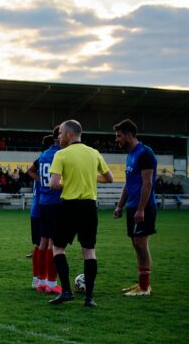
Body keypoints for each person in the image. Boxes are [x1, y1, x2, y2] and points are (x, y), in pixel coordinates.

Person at [47, 120, 113, 307]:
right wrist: (88, 177)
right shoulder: (94, 153)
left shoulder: (62, 154)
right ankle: (89, 297)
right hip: (89, 207)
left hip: (69, 206)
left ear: (69, 134)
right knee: (89, 251)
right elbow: (109, 178)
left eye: (60, 132)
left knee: (58, 248)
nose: (58, 136)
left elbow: (53, 184)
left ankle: (67, 291)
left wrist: (68, 182)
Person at [113, 119, 157, 297]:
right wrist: (120, 205)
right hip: (132, 207)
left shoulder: (145, 153)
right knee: (136, 244)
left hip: (143, 207)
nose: (117, 139)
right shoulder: (130, 154)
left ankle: (145, 287)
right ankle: (141, 284)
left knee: (141, 243)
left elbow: (147, 184)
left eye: (119, 136)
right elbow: (128, 183)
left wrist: (141, 209)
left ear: (129, 135)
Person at [26, 130, 62, 295]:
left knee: (41, 244)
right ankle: (49, 282)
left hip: (38, 207)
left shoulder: (42, 158)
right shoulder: (59, 156)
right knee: (51, 244)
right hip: (49, 206)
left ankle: (38, 280)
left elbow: (30, 170)